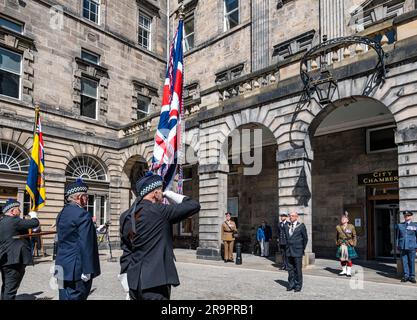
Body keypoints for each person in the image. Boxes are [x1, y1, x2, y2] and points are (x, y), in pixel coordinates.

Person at [120, 172, 200, 300]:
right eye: (161, 191)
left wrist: (125, 278)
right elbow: (194, 205)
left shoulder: (126, 216)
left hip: (134, 283)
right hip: (156, 282)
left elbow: (127, 249)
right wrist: (171, 194)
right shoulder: (159, 211)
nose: (162, 195)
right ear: (155, 193)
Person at [55, 178, 101, 300]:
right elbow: (86, 243)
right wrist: (87, 269)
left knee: (63, 297)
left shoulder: (62, 213)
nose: (87, 199)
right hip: (76, 268)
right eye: (86, 196)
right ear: (79, 197)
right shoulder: (82, 214)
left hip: (61, 266)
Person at [0, 199, 39, 300]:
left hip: (5, 259)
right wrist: (34, 215)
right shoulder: (14, 220)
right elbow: (34, 223)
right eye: (18, 209)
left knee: (6, 287)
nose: (20, 211)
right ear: (12, 211)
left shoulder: (2, 221)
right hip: (15, 260)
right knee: (11, 289)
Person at [285, 211, 308, 292]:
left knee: (298, 269)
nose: (290, 217)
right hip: (288, 251)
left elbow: (305, 239)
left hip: (297, 251)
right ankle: (291, 284)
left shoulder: (301, 226)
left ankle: (298, 285)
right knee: (290, 269)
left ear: (296, 217)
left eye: (292, 216)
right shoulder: (287, 226)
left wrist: (301, 249)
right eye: (290, 216)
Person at [396, 210, 417, 283]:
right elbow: (398, 237)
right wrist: (397, 245)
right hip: (402, 246)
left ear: (411, 216)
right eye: (405, 216)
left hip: (412, 246)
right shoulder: (400, 225)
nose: (406, 217)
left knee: (411, 261)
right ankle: (406, 276)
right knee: (404, 261)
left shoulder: (415, 225)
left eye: (408, 215)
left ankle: (412, 276)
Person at [336, 212, 358, 277]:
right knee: (342, 258)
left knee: (348, 259)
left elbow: (354, 235)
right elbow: (336, 236)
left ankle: (348, 272)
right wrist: (337, 243)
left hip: (348, 243)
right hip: (342, 243)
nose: (342, 219)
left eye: (344, 218)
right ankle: (344, 271)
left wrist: (354, 243)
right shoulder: (338, 227)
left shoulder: (351, 226)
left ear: (347, 220)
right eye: (342, 218)